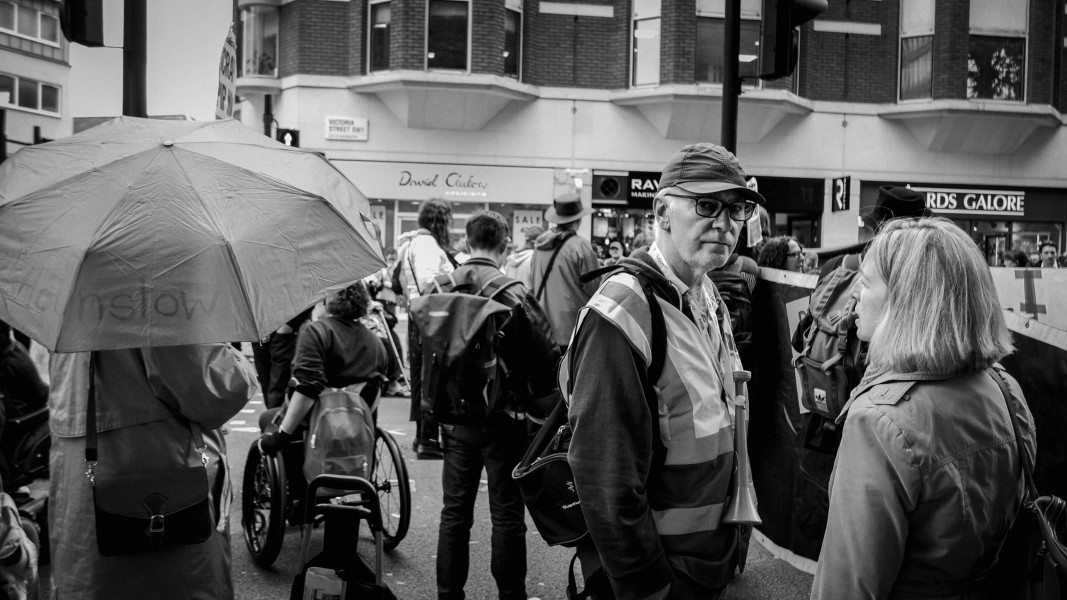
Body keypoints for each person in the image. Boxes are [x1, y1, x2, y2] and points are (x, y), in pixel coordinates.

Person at [565, 142, 764, 599]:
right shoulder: (622, 312)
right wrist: (649, 587)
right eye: (707, 204)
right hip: (662, 577)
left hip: (706, 561)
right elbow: (605, 478)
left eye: (738, 209)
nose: (725, 223)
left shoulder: (706, 293)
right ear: (662, 211)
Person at [811, 217, 1035, 599]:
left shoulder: (878, 424)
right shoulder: (1005, 387)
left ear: (907, 303)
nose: (853, 298)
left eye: (864, 284)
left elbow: (847, 586)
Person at [48, 343, 257, 599]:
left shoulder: (68, 315)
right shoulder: (155, 305)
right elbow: (216, 391)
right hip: (165, 470)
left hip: (80, 480)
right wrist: (234, 356)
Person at [432, 210, 560, 600]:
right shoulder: (514, 293)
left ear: (466, 241)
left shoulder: (438, 288)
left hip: (454, 419)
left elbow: (425, 353)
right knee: (506, 513)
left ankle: (448, 593)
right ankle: (510, 594)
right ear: (504, 246)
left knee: (454, 513)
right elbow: (546, 360)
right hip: (505, 419)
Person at [257, 282, 391, 504]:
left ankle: (298, 494)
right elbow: (376, 391)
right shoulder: (376, 341)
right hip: (358, 428)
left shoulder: (316, 331)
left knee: (268, 419)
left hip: (319, 425)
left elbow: (308, 388)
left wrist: (282, 435)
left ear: (327, 299)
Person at [401, 198, 457, 459]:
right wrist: (455, 282)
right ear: (441, 221)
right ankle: (428, 439)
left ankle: (422, 437)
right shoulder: (426, 244)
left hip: (418, 313)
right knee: (433, 379)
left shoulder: (415, 242)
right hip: (431, 315)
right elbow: (428, 281)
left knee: (422, 377)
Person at [529, 192, 602, 352]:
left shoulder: (539, 245)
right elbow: (595, 288)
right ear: (578, 219)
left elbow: (532, 280)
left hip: (543, 327)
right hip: (573, 329)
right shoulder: (581, 247)